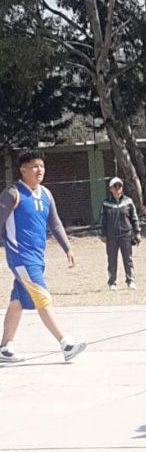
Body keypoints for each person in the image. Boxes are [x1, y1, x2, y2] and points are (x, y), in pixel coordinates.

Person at [0, 151, 86, 364]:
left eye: (42, 166)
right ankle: (65, 344)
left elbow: (55, 223)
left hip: (37, 258)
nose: (40, 170)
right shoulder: (12, 193)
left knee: (18, 300)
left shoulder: (46, 194)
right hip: (21, 258)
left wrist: (67, 247)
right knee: (42, 297)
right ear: (22, 169)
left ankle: (4, 348)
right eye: (34, 166)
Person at [99, 177, 141, 290]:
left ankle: (130, 281)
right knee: (112, 260)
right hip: (111, 236)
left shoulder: (128, 201)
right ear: (110, 189)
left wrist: (137, 233)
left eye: (119, 186)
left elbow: (134, 218)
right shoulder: (106, 203)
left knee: (128, 260)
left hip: (126, 235)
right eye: (115, 186)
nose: (118, 188)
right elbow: (103, 220)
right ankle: (112, 283)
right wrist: (102, 234)